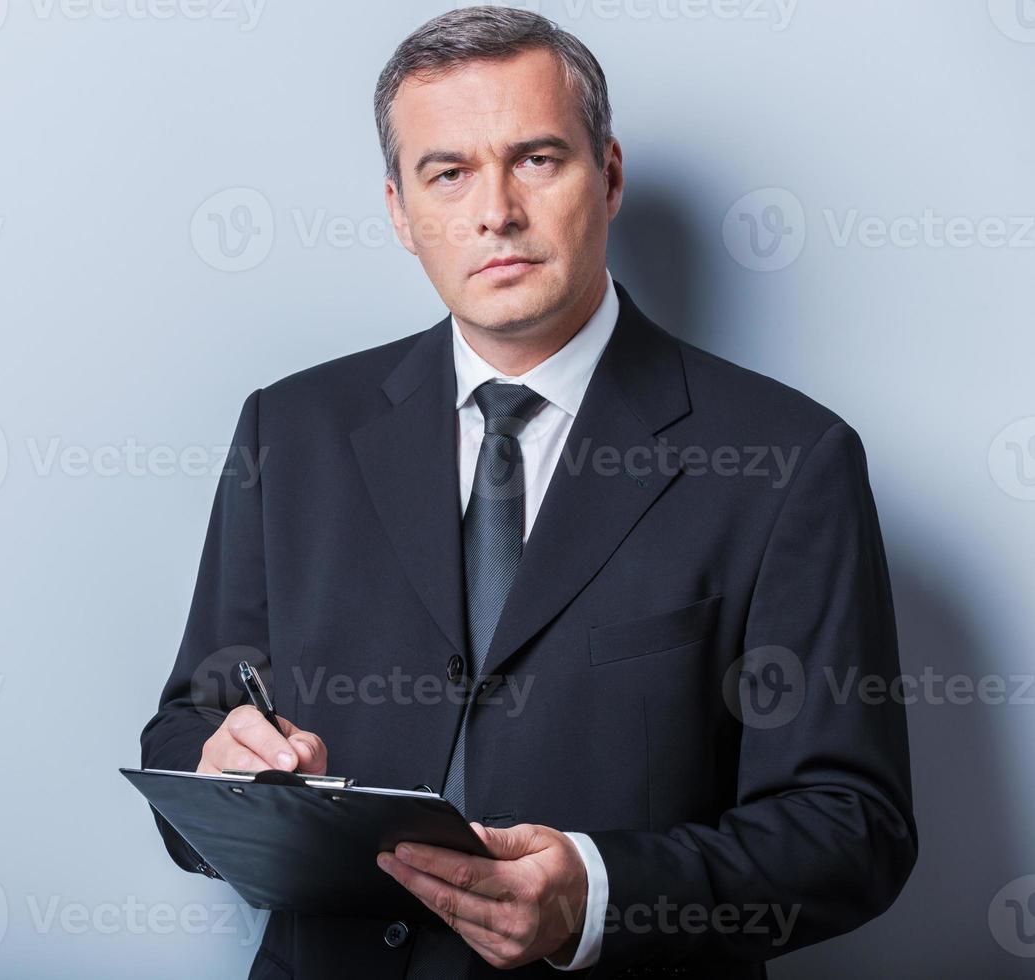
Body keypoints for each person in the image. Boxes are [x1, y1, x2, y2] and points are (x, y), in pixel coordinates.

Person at [140, 7, 916, 977]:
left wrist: (597, 891)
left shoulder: (785, 458)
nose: (493, 211)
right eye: (447, 171)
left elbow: (851, 828)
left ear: (609, 175)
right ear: (397, 208)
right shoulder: (288, 429)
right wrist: (221, 766)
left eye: (536, 158)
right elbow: (187, 723)